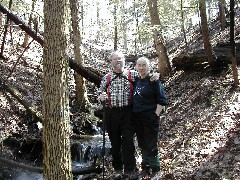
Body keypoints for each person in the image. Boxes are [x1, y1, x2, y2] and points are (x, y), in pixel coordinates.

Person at [98, 51, 158, 179]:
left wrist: (155, 76)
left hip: (128, 112)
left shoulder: (133, 75)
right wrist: (101, 97)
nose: (118, 61)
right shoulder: (106, 78)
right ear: (111, 62)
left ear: (124, 60)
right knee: (114, 141)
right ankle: (118, 168)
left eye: (120, 58)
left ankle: (130, 169)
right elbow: (100, 94)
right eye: (115, 59)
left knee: (128, 140)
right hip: (111, 113)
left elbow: (146, 77)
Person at [132, 57, 168, 178]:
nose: (141, 68)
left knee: (151, 143)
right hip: (137, 118)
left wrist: (155, 115)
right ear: (136, 67)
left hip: (150, 118)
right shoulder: (136, 81)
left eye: (144, 65)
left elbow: (162, 100)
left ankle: (156, 169)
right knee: (142, 143)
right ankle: (145, 167)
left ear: (148, 67)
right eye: (139, 65)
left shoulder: (153, 81)